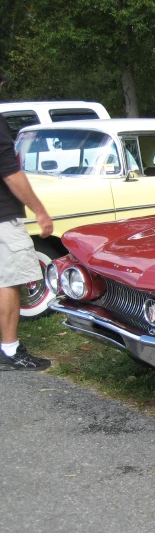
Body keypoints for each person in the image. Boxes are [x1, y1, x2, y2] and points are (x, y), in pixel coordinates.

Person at [0, 71, 54, 370]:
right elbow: (9, 171)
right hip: (2, 217)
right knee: (9, 280)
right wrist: (40, 210)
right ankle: (10, 350)